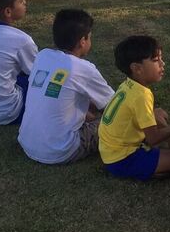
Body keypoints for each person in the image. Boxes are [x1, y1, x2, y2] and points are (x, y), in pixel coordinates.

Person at [18, 9, 115, 164]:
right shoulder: (84, 68)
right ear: (83, 41)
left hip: (27, 141)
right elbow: (115, 106)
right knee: (114, 124)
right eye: (90, 37)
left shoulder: (43, 56)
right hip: (60, 150)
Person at [99, 35, 170, 180]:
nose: (163, 64)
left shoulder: (128, 85)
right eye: (156, 60)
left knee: (158, 114)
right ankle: (151, 169)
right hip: (122, 159)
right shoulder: (141, 96)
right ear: (137, 68)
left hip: (108, 150)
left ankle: (161, 158)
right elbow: (153, 139)